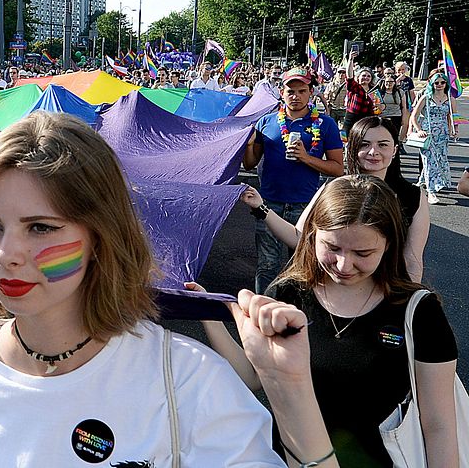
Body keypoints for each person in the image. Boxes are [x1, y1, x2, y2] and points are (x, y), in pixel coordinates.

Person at [0, 112, 339, 467]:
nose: (7, 254)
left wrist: (291, 391)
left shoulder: (187, 380)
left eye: (41, 227)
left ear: (102, 235)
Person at [194, 175, 458, 466]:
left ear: (389, 244)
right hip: (292, 459)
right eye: (332, 247)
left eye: (363, 253)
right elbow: (254, 376)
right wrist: (211, 315)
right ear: (312, 235)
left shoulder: (419, 311)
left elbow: (439, 425)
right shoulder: (287, 293)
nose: (344, 265)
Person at [243, 116, 429, 282]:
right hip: (333, 290)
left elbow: (412, 260)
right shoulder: (333, 189)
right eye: (364, 144)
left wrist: (406, 303)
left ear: (395, 150)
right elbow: (298, 237)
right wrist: (260, 207)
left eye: (383, 145)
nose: (373, 152)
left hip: (385, 294)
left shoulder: (412, 196)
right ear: (352, 149)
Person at [243, 67, 344, 292]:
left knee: (303, 265)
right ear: (282, 92)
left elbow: (338, 169)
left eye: (301, 90)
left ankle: (296, 316)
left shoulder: (325, 124)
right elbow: (249, 164)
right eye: (290, 91)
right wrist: (248, 144)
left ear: (311, 93)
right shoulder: (266, 122)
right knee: (267, 265)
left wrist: (306, 158)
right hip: (268, 205)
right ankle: (264, 315)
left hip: (305, 206)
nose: (295, 96)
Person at [409, 72, 457, 204]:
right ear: (432, 83)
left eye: (442, 82)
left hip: (443, 135)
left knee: (439, 159)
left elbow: (452, 117)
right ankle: (431, 192)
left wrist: (454, 129)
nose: (440, 85)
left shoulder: (450, 98)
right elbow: (414, 116)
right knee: (429, 161)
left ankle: (422, 181)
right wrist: (418, 130)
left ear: (446, 83)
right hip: (427, 134)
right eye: (437, 83)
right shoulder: (426, 97)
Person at [342, 52, 379, 135]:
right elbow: (349, 75)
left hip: (367, 118)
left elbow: (379, 104)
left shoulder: (374, 90)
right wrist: (351, 60)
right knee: (346, 139)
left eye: (368, 76)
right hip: (352, 117)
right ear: (358, 77)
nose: (366, 78)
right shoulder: (355, 87)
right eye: (363, 75)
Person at [379, 70, 410, 141]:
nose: (388, 84)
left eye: (391, 82)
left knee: (394, 137)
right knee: (383, 137)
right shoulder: (380, 93)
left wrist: (403, 119)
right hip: (383, 117)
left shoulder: (400, 92)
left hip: (396, 117)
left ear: (394, 83)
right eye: (387, 82)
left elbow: (403, 107)